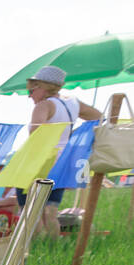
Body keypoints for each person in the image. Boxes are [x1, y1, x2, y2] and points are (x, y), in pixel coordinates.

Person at [16, 65, 102, 237]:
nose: (30, 96)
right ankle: (53, 247)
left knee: (30, 211)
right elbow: (97, 116)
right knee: (51, 213)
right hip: (62, 163)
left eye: (31, 91)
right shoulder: (72, 103)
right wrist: (72, 136)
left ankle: (31, 249)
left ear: (42, 87)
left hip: (40, 162)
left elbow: (35, 133)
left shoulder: (44, 106)